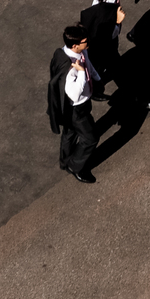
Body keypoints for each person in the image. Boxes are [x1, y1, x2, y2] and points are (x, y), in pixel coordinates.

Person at [46, 25, 100, 183]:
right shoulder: (71, 69)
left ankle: (64, 161)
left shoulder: (78, 51)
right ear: (75, 45)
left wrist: (96, 78)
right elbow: (75, 95)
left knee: (70, 134)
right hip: (77, 109)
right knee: (90, 139)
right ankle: (75, 166)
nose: (88, 42)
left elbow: (88, 64)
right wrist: (82, 72)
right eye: (85, 41)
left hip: (81, 105)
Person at [80, 0, 127, 100]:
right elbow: (107, 34)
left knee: (103, 67)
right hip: (105, 45)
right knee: (111, 69)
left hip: (102, 46)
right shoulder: (106, 10)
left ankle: (95, 89)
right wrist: (116, 22)